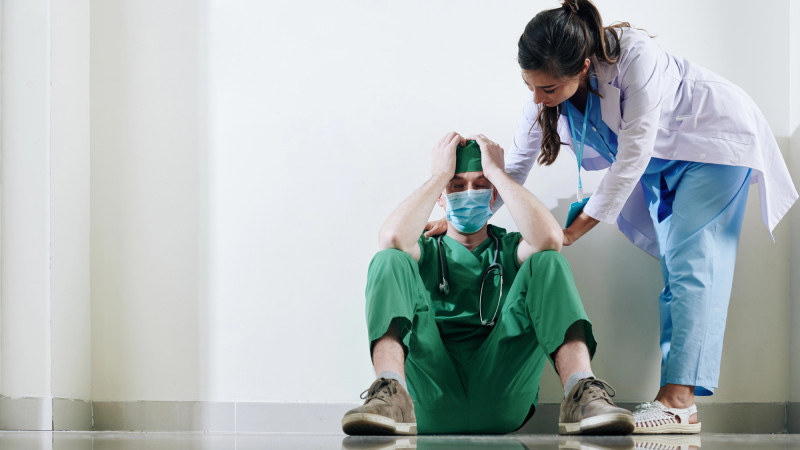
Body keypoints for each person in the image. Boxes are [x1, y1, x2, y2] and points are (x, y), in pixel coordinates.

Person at [505, 0, 797, 434]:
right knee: (678, 272)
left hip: (712, 142)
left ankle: (678, 403)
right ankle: (678, 402)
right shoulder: (548, 89)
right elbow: (514, 166)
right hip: (664, 161)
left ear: (582, 67)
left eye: (546, 88)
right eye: (529, 85)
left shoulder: (634, 56)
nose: (536, 97)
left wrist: (571, 232)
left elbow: (633, 154)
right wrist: (459, 215)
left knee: (693, 266)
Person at [341, 133, 634, 435]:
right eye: (457, 186)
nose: (469, 193)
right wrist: (439, 175)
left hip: (502, 395)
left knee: (548, 261)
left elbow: (550, 239)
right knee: (388, 259)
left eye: (481, 185)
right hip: (426, 398)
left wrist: (497, 173)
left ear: (494, 195)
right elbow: (391, 238)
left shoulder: (511, 248)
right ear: (440, 197)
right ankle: (390, 393)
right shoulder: (422, 251)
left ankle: (581, 394)